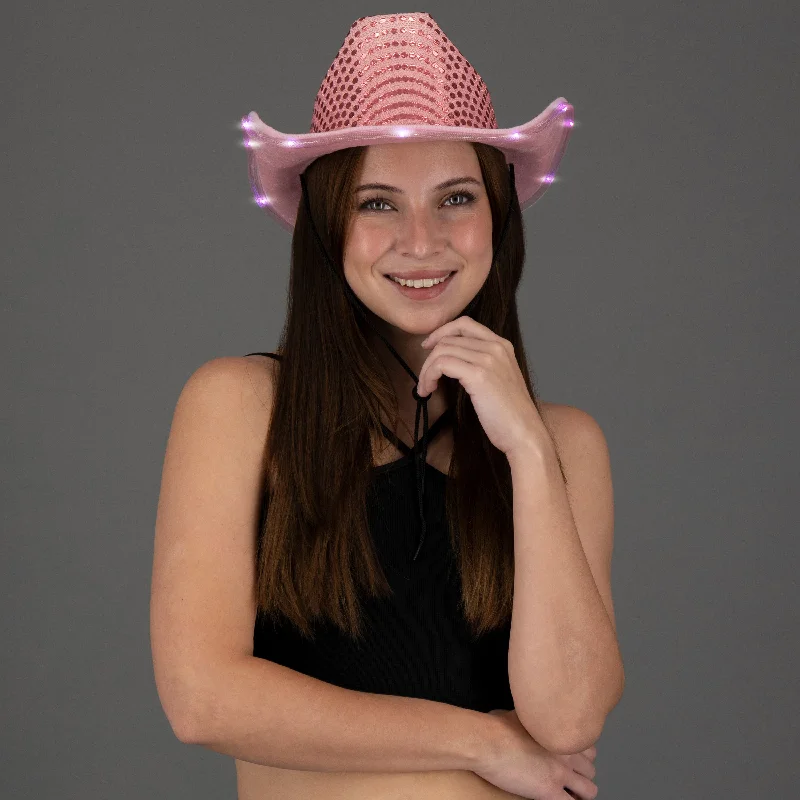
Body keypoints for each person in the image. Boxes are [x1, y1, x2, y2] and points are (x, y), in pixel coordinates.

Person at [151, 12, 623, 800]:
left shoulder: (565, 444)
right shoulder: (239, 407)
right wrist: (483, 742)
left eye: (456, 198)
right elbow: (204, 698)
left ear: (498, 218)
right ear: (328, 225)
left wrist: (531, 458)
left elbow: (570, 719)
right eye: (377, 204)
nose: (421, 240)